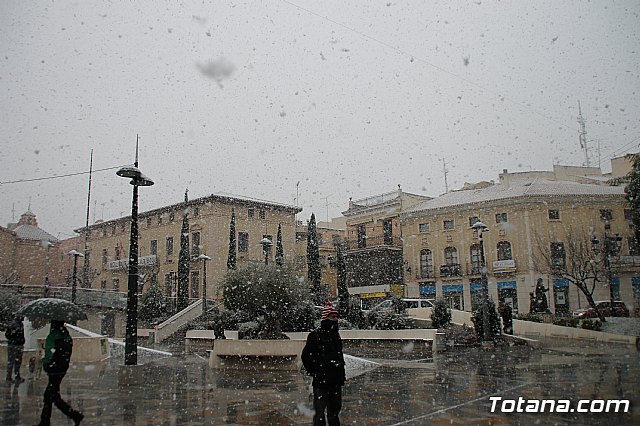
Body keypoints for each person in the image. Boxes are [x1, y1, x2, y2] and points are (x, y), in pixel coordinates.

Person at [301, 303, 346, 426]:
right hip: (322, 381)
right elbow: (306, 356)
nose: (335, 319)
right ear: (326, 318)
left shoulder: (336, 335)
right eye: (332, 317)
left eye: (336, 317)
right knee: (319, 414)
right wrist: (316, 371)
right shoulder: (315, 335)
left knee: (334, 412)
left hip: (336, 381)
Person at [36, 320, 83, 426]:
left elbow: (49, 354)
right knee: (50, 395)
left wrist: (45, 362)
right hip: (62, 369)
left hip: (53, 369)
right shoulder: (66, 335)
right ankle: (45, 421)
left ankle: (75, 415)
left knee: (53, 396)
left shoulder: (53, 336)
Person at [5, 315, 25, 383]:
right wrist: (15, 339)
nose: (24, 318)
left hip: (17, 345)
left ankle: (15, 376)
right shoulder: (14, 324)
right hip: (14, 345)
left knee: (16, 362)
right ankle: (10, 377)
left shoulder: (20, 324)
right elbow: (7, 334)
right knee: (13, 361)